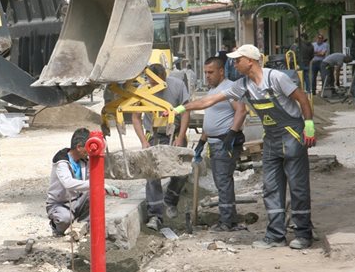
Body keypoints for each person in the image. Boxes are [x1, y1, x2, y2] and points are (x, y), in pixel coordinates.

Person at [173, 45, 316, 250]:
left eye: (237, 60)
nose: (234, 63)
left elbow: (301, 98)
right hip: (272, 140)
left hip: (292, 135)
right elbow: (211, 99)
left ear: (250, 60)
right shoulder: (243, 85)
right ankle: (276, 235)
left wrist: (309, 125)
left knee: (297, 187)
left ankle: (303, 234)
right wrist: (180, 108)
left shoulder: (275, 78)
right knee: (271, 188)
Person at [132, 63, 190, 231]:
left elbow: (186, 111)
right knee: (152, 174)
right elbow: (136, 117)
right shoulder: (143, 90)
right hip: (154, 136)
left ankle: (171, 199)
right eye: (153, 82)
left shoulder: (178, 86)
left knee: (182, 169)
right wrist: (143, 140)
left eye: (160, 81)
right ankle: (155, 215)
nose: (156, 86)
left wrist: (180, 137)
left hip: (174, 133)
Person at [194, 57, 247, 231]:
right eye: (205, 73)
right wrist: (201, 142)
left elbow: (241, 111)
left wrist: (231, 134)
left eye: (211, 72)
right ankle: (228, 219)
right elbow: (212, 119)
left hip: (225, 143)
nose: (207, 76)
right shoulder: (212, 91)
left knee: (223, 181)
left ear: (221, 71)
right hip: (214, 142)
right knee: (221, 182)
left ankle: (227, 222)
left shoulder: (229, 88)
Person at [46, 128, 119, 236]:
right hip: (60, 203)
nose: (90, 151)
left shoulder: (84, 161)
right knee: (65, 219)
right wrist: (97, 184)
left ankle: (83, 225)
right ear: (79, 147)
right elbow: (68, 183)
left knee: (98, 192)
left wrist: (103, 187)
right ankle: (56, 227)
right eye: (88, 147)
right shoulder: (61, 161)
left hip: (78, 200)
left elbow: (93, 179)